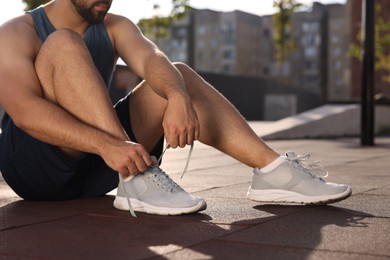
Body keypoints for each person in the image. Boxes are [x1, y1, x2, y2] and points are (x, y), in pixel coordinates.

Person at [0, 0, 351, 216]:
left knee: (176, 76)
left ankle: (274, 172)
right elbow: (25, 111)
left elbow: (153, 58)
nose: (106, 0)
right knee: (63, 42)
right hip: (35, 168)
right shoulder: (17, 32)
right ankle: (135, 176)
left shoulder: (114, 26)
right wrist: (111, 146)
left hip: (101, 166)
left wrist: (179, 99)